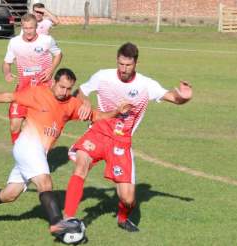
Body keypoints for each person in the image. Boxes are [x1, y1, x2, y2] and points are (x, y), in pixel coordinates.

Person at [0, 68, 132, 238]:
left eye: (68, 88)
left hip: (39, 152)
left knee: (9, 194)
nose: (64, 92)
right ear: (54, 82)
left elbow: (98, 116)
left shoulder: (72, 104)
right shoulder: (38, 93)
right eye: (61, 87)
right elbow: (8, 96)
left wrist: (117, 111)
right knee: (45, 183)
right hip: (27, 145)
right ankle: (58, 224)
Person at [62, 42, 193, 232]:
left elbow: (173, 98)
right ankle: (68, 219)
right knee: (81, 164)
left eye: (128, 65)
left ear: (136, 64)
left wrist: (184, 97)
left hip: (121, 143)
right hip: (98, 133)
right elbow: (82, 91)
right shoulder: (103, 76)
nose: (123, 69)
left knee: (128, 198)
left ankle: (123, 218)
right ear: (117, 60)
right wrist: (85, 103)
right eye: (121, 64)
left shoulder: (145, 85)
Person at [2, 13, 62, 144]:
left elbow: (58, 54)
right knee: (14, 125)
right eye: (25, 28)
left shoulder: (46, 40)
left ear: (36, 27)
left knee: (38, 127)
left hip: (43, 90)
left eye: (31, 28)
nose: (28, 31)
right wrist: (7, 73)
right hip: (23, 89)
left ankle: (37, 155)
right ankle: (19, 153)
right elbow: (7, 63)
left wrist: (51, 70)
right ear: (22, 27)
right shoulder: (14, 42)